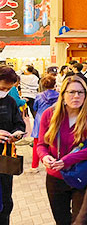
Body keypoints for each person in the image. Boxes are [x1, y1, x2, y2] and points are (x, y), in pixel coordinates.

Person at [37, 75, 87, 225]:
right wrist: (45, 157)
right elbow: (41, 145)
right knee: (61, 220)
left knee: (80, 220)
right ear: (63, 94)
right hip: (56, 177)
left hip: (82, 175)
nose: (76, 96)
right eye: (71, 92)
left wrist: (66, 160)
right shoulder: (50, 114)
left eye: (81, 92)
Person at [0, 66, 26, 224]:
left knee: (6, 202)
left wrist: (17, 133)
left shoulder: (9, 101)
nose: (5, 91)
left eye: (9, 89)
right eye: (2, 88)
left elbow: (19, 123)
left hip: (5, 159)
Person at [30, 75, 59, 173]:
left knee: (37, 144)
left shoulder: (39, 96)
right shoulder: (59, 96)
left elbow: (35, 108)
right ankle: (54, 163)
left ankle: (34, 166)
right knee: (54, 143)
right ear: (55, 84)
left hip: (40, 121)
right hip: (55, 121)